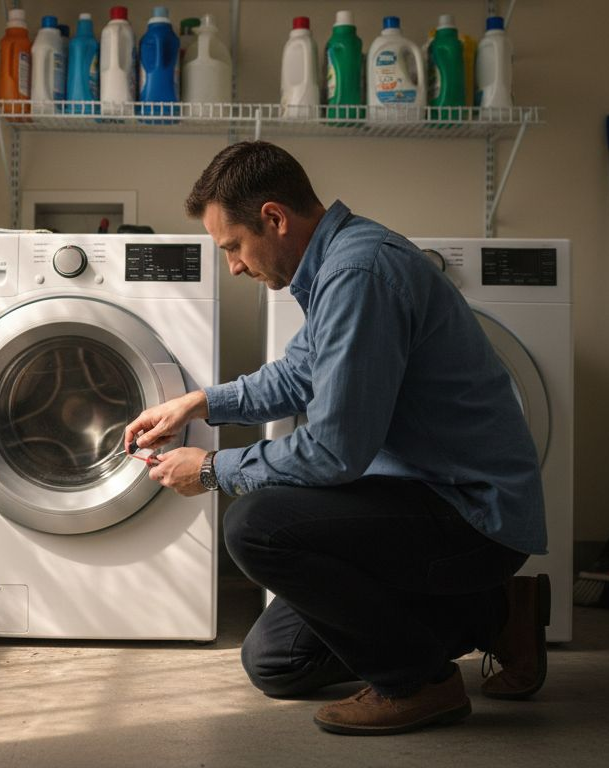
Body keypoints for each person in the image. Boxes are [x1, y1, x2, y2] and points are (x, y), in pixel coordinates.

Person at [122, 141, 550, 736]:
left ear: (274, 218)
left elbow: (333, 452)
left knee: (255, 526)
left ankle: (421, 686)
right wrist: (201, 403)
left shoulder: (358, 272)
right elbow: (300, 373)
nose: (235, 268)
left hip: (471, 513)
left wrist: (213, 470)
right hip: (414, 500)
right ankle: (496, 613)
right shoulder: (339, 262)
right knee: (276, 662)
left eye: (233, 248)